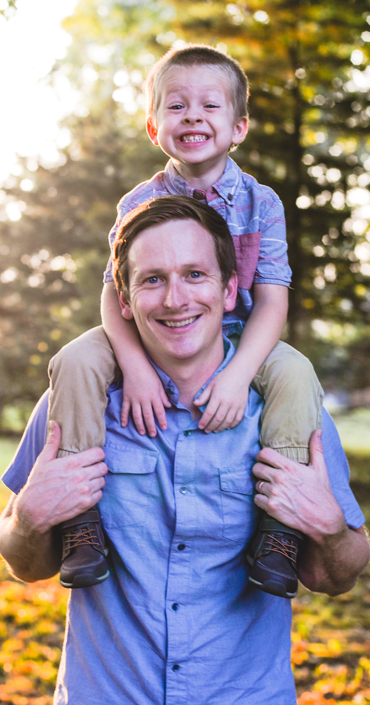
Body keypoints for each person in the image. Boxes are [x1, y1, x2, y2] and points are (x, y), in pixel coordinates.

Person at [0, 196, 370, 704]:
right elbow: (25, 563)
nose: (175, 299)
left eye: (195, 274)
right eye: (152, 279)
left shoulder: (290, 410)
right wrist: (27, 520)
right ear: (123, 299)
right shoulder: (79, 400)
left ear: (230, 288)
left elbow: (336, 575)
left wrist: (328, 527)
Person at [46, 44, 324, 596]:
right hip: (143, 331)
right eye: (177, 106)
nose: (193, 116)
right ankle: (80, 519)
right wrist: (136, 367)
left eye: (210, 106)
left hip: (238, 338)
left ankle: (280, 531)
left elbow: (271, 301)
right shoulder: (138, 203)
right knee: (74, 359)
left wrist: (240, 373)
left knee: (294, 374)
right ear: (154, 127)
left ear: (239, 126)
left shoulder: (261, 203)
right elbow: (114, 296)